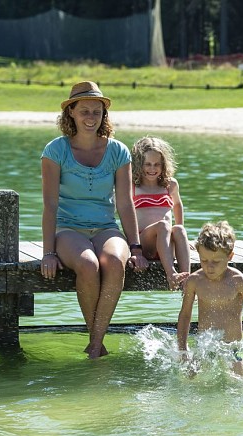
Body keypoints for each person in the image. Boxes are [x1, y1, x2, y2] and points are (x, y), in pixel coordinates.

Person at [40, 81, 148, 359]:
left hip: (106, 228)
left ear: (104, 116)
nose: (91, 118)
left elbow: (125, 203)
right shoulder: (55, 151)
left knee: (113, 261)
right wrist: (48, 253)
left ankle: (95, 345)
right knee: (88, 264)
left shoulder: (118, 151)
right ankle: (97, 343)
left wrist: (135, 248)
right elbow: (50, 204)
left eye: (96, 112)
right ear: (71, 113)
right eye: (84, 111)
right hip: (68, 229)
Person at [177, 221, 243, 375]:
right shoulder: (194, 281)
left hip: (232, 348)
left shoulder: (238, 281)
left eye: (216, 262)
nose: (209, 267)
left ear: (230, 256)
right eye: (204, 260)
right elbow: (184, 316)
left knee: (238, 382)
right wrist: (182, 349)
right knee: (190, 377)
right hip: (205, 346)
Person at [131, 136, 191, 290]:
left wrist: (181, 237)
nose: (152, 169)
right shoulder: (132, 187)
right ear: (138, 164)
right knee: (163, 225)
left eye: (157, 164)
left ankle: (187, 282)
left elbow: (177, 205)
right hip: (145, 243)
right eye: (148, 164)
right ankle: (171, 274)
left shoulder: (170, 184)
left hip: (166, 247)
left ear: (163, 165)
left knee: (179, 229)